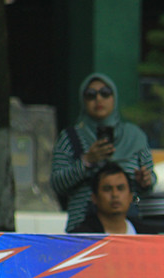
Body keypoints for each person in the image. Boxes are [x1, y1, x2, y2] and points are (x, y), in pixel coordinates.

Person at [51, 73, 155, 232]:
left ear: (114, 98)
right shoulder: (70, 138)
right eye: (91, 95)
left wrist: (145, 180)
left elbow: (151, 181)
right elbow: (57, 183)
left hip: (127, 225)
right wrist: (86, 161)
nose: (98, 99)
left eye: (105, 93)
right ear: (83, 100)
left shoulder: (134, 136)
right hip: (83, 228)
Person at [69, 163, 138, 235]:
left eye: (120, 188)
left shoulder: (144, 233)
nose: (115, 194)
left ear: (131, 196)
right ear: (94, 197)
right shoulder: (80, 237)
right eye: (107, 189)